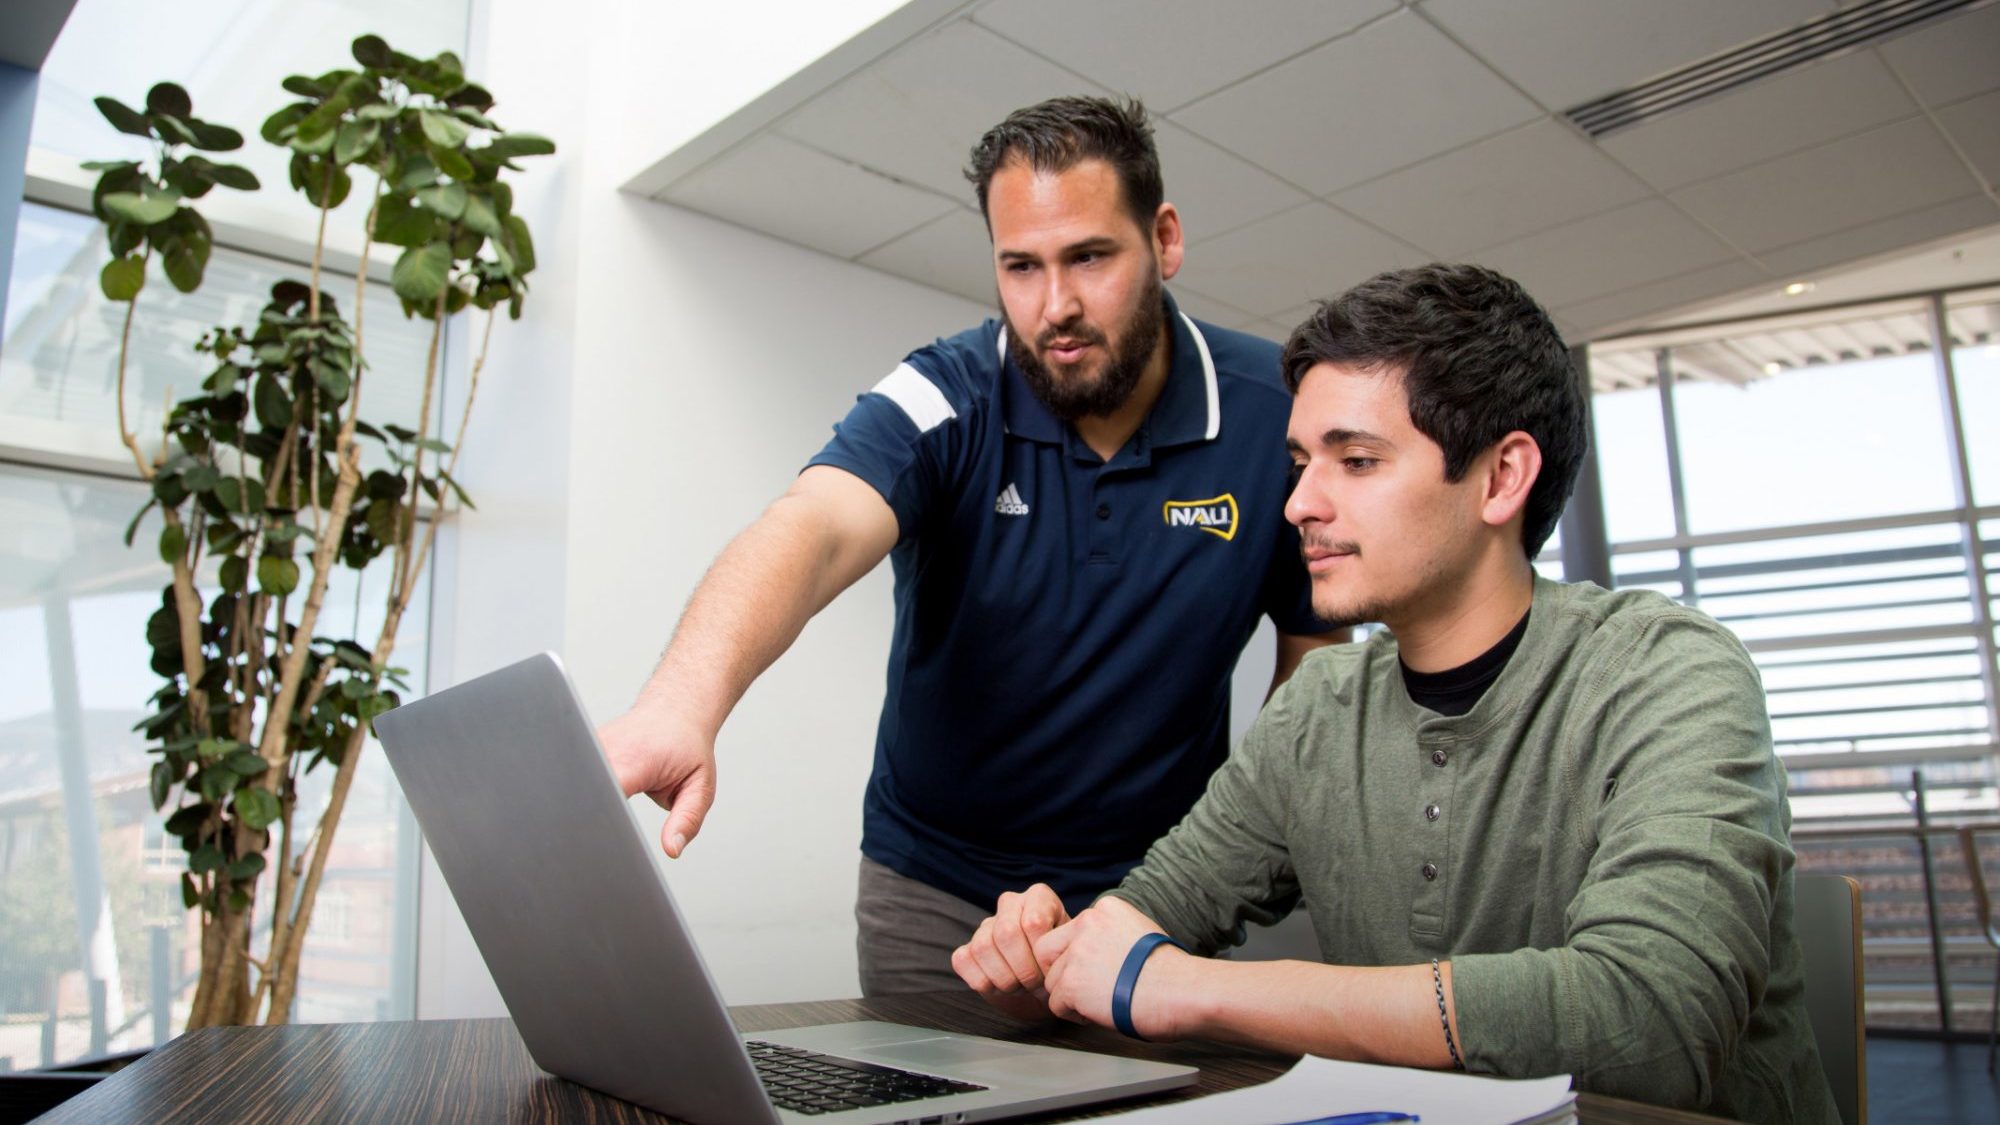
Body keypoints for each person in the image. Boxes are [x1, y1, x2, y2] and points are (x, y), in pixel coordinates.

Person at [950, 264, 1838, 1121]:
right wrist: (1049, 964)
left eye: (1357, 460)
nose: (1299, 504)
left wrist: (1189, 988)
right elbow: (1145, 922)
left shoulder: (1669, 672)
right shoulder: (1318, 707)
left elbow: (1649, 1024)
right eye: (1301, 462)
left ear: (1502, 477)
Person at [599, 96, 1340, 995]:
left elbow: (1316, 651)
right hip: (937, 892)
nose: (1056, 306)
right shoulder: (944, 391)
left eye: (1090, 257)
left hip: (1158, 900)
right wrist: (681, 703)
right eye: (1021, 266)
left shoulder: (1276, 412)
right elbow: (813, 526)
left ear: (1165, 239)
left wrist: (1230, 850)